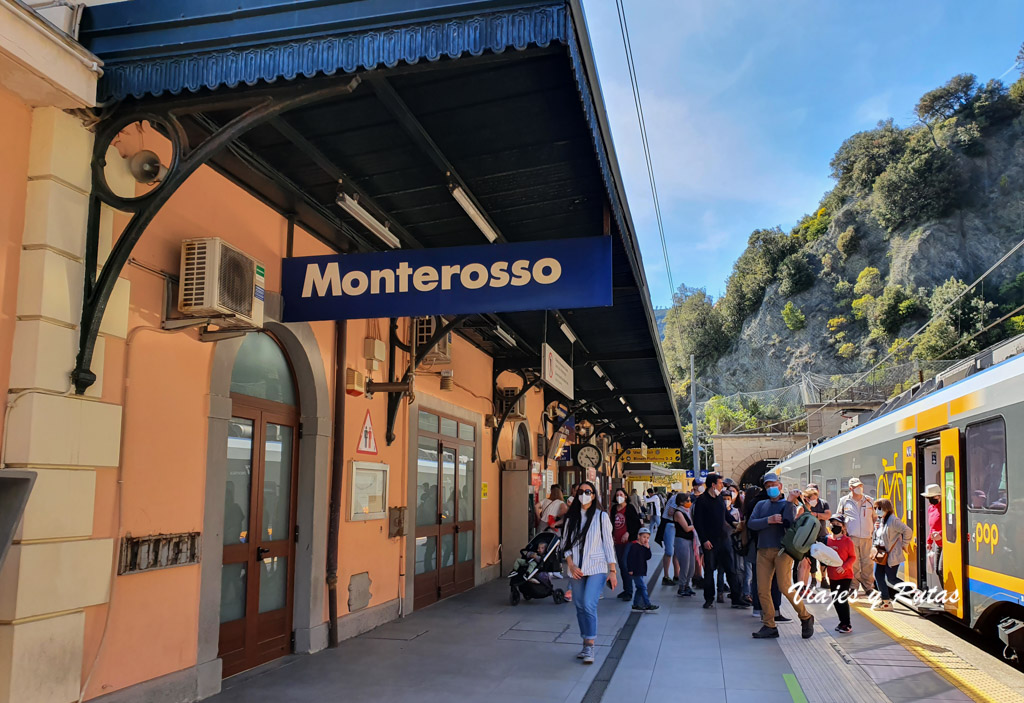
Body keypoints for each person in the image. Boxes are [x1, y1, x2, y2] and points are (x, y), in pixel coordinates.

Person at [747, 474, 815, 640]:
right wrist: (768, 520)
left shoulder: (788, 504)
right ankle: (769, 624)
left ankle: (805, 616)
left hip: (782, 551)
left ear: (780, 485)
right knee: (762, 589)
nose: (771, 487)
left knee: (785, 587)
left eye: (774, 484)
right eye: (768, 485)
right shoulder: (761, 504)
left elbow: (789, 522)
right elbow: (751, 523)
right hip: (763, 550)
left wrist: (791, 502)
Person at [563, 481, 617, 665]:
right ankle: (585, 641)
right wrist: (570, 564)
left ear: (594, 495)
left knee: (588, 604)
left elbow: (608, 544)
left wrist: (612, 570)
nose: (584, 494)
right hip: (576, 568)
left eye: (588, 491)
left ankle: (590, 645)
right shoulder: (571, 518)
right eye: (581, 491)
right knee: (579, 605)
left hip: (597, 567)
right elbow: (565, 545)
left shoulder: (601, 517)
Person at [692, 473, 741, 609]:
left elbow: (726, 515)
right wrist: (704, 540)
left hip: (724, 539)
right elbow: (698, 523)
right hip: (710, 541)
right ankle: (709, 598)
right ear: (713, 485)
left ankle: (736, 598)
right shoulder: (702, 501)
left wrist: (736, 523)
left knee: (731, 569)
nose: (722, 485)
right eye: (720, 483)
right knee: (709, 570)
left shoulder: (720, 499)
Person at [872, 498, 914, 611]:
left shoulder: (893, 520)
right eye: (875, 508)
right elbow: (880, 537)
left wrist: (904, 544)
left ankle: (913, 592)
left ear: (886, 508)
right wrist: (876, 529)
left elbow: (907, 530)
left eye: (879, 508)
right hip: (881, 554)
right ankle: (885, 601)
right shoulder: (881, 520)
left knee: (891, 578)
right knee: (878, 575)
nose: (877, 510)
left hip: (891, 555)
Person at [837, 478, 875, 593]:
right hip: (851, 537)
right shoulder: (844, 501)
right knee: (853, 563)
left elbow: (874, 517)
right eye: (856, 486)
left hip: (867, 537)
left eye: (860, 485)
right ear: (851, 488)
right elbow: (839, 517)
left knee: (868, 563)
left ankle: (869, 587)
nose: (859, 488)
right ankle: (853, 586)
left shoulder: (869, 500)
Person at [826, 515, 856, 633]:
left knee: (842, 599)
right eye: (833, 524)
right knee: (835, 599)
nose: (835, 526)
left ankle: (847, 624)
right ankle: (842, 622)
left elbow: (852, 557)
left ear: (843, 527)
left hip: (845, 576)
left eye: (838, 525)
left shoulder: (848, 541)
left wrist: (844, 567)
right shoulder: (827, 540)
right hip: (832, 575)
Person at [612, 487, 642, 601]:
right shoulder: (614, 508)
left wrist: (628, 533)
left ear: (625, 496)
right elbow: (612, 522)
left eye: (621, 494)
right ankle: (626, 589)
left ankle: (629, 591)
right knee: (621, 566)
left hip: (628, 541)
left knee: (625, 564)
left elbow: (636, 524)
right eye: (617, 494)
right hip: (617, 541)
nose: (619, 496)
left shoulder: (629, 508)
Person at [805, 484, 831, 589]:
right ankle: (813, 579)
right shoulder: (805, 504)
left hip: (821, 535)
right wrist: (821, 516)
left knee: (823, 559)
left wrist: (815, 514)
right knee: (811, 559)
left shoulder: (823, 503)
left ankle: (824, 579)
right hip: (810, 536)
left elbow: (828, 516)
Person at [627, 527, 659, 612]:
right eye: (644, 537)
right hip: (635, 571)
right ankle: (647, 604)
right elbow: (630, 558)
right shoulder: (634, 546)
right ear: (638, 536)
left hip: (641, 570)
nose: (645, 539)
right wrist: (630, 569)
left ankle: (636, 604)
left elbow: (648, 557)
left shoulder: (644, 547)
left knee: (639, 588)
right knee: (643, 587)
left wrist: (648, 548)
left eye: (647, 538)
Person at [674, 492, 697, 596]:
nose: (689, 502)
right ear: (681, 502)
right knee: (685, 565)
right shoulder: (678, 512)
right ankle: (681, 587)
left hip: (690, 541)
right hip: (681, 540)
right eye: (687, 501)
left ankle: (687, 585)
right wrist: (696, 525)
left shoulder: (688, 511)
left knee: (692, 565)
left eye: (690, 500)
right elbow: (686, 528)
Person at [922, 483, 942, 586]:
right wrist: (929, 541)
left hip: (947, 543)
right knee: (937, 570)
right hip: (938, 543)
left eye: (931, 497)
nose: (929, 500)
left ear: (938, 496)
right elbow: (932, 527)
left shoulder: (944, 508)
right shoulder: (931, 508)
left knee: (941, 569)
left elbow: (951, 525)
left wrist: (941, 534)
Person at [660, 492, 681, 585]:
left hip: (676, 525)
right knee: (669, 551)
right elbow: (670, 512)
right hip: (669, 524)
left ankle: (677, 575)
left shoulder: (679, 497)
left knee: (676, 551)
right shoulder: (676, 498)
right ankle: (666, 576)